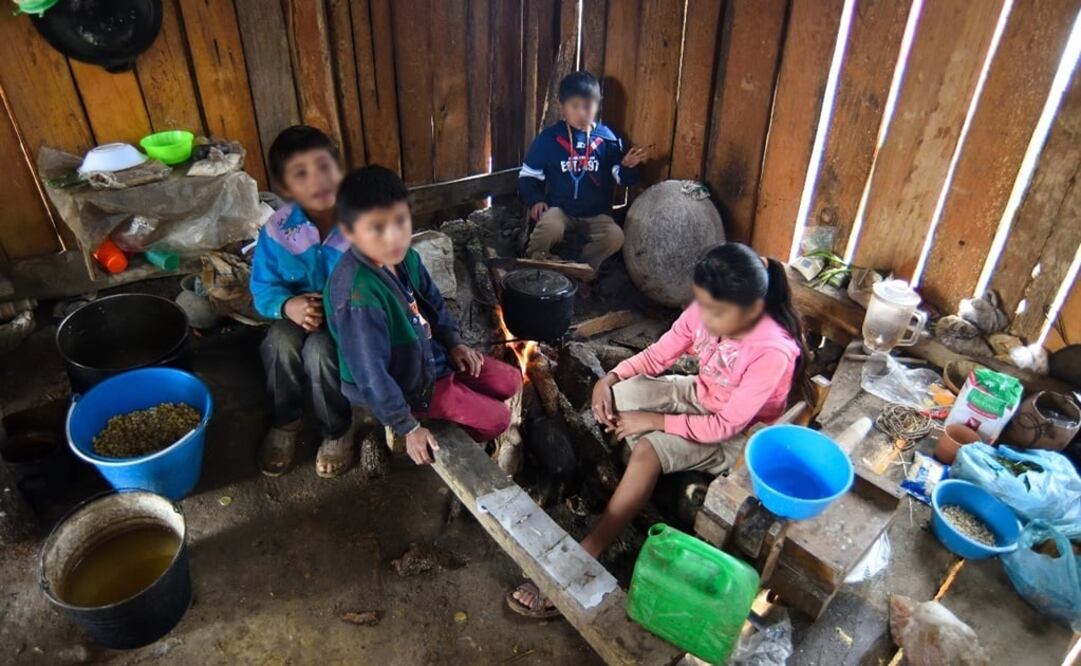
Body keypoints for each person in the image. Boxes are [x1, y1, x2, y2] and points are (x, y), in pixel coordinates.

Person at [506, 243, 811, 617]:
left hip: (740, 434)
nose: (701, 316)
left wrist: (653, 422)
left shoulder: (772, 351)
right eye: (699, 303)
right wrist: (612, 378)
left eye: (713, 311)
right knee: (620, 397)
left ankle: (592, 547)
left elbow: (725, 424)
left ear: (750, 309)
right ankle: (639, 468)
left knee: (648, 448)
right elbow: (659, 354)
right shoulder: (709, 308)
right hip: (702, 394)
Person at [324, 165, 522, 466]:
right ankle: (426, 426)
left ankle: (454, 401)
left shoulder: (407, 259)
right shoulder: (358, 296)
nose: (394, 237)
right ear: (349, 232)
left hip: (428, 358)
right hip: (408, 384)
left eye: (400, 221)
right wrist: (408, 426)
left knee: (511, 381)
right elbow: (371, 375)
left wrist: (455, 343)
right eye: (377, 228)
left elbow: (434, 305)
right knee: (498, 419)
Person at [249, 125, 355, 479]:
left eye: (324, 167)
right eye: (301, 174)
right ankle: (286, 422)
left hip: (348, 322)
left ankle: (336, 430)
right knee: (278, 343)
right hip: (294, 314)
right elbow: (263, 288)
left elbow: (384, 280)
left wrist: (340, 308)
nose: (318, 181)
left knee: (320, 354)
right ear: (284, 188)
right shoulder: (277, 230)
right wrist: (287, 306)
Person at [519, 71, 647, 275]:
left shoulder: (607, 139)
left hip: (595, 215)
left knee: (615, 236)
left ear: (597, 105)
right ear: (562, 108)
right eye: (575, 106)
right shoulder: (550, 139)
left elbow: (621, 177)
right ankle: (535, 261)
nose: (582, 113)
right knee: (549, 226)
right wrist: (535, 199)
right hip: (561, 210)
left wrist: (628, 166)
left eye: (588, 106)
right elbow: (528, 175)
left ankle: (582, 269)